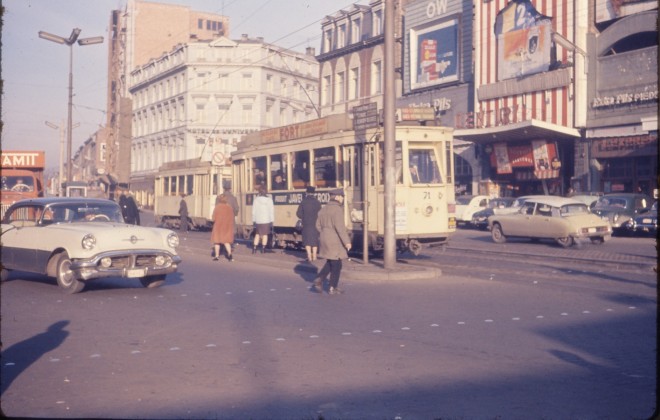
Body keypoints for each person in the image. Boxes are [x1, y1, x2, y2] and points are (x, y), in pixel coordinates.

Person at [312, 188, 351, 295]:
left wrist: (325, 233)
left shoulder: (323, 209)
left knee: (331, 261)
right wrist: (347, 242)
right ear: (338, 197)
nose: (343, 198)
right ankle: (332, 287)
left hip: (324, 237)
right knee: (337, 264)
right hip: (334, 240)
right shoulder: (337, 210)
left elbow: (317, 226)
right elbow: (340, 228)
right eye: (342, 196)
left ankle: (319, 279)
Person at [296, 186, 321, 262]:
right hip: (315, 224)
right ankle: (315, 256)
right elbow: (320, 213)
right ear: (314, 193)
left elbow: (298, 214)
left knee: (307, 241)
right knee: (314, 241)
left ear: (306, 193)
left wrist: (304, 216)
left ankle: (309, 256)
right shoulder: (317, 202)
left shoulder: (303, 202)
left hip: (306, 224)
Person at [211, 194, 235, 262]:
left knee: (217, 242)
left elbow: (213, 218)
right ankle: (230, 255)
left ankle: (216, 256)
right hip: (227, 227)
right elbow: (232, 218)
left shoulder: (217, 207)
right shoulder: (229, 208)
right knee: (226, 242)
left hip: (218, 227)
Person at [251, 184, 274, 254]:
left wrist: (254, 220)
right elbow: (271, 211)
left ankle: (254, 248)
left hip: (258, 220)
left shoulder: (256, 200)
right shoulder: (269, 200)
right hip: (266, 220)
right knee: (265, 235)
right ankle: (263, 249)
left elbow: (253, 211)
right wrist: (272, 221)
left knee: (257, 234)